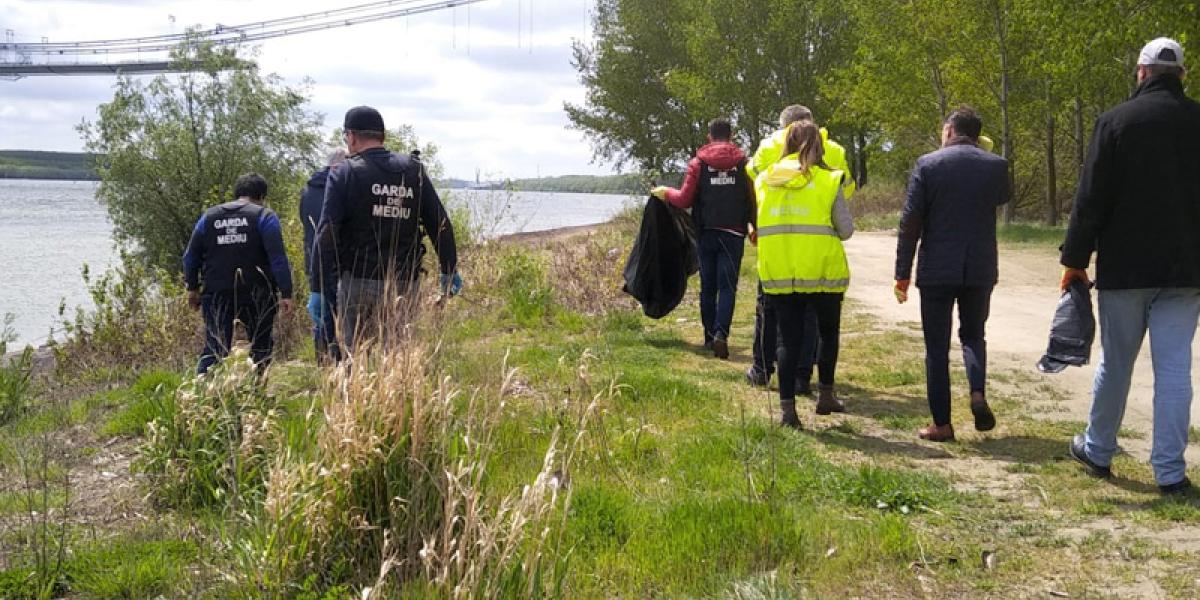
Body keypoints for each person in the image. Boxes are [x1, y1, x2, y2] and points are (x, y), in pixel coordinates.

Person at [1061, 37, 1200, 495]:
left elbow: (1090, 199)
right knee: (1175, 370)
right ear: (1182, 75)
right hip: (1186, 270)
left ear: (1141, 73)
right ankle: (1170, 472)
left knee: (1117, 362)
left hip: (1125, 269)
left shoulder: (1115, 122)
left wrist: (1075, 260)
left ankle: (1098, 450)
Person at [894, 106, 1009, 442]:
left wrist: (902, 272)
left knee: (936, 347)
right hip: (980, 266)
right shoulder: (997, 165)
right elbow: (1003, 196)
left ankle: (942, 424)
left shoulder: (928, 164)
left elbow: (910, 222)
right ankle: (977, 392)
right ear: (978, 135)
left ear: (948, 130)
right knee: (973, 335)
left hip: (937, 269)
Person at [312, 106, 461, 351]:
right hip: (403, 283)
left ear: (351, 136)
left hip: (357, 281)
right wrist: (449, 268)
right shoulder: (413, 171)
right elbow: (439, 223)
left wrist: (317, 288)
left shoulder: (344, 173)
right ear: (383, 136)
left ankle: (355, 378)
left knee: (354, 353)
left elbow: (326, 232)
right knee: (398, 354)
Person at [745, 105, 856, 393]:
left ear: (784, 129)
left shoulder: (767, 150)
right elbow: (846, 189)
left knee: (769, 314)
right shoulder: (835, 151)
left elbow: (753, 183)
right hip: (816, 251)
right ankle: (803, 377)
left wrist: (757, 224)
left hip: (777, 249)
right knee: (813, 322)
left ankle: (762, 368)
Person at [651, 118, 756, 359]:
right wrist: (754, 225)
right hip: (733, 233)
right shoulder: (745, 164)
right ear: (731, 135)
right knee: (727, 286)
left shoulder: (697, 164)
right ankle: (721, 334)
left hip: (706, 231)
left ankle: (709, 337)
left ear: (709, 136)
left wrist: (666, 192)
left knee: (708, 286)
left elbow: (684, 199)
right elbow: (752, 198)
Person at [183, 173, 295, 374]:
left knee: (215, 346)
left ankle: (203, 388)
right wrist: (286, 292)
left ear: (237, 194)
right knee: (261, 345)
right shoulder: (265, 216)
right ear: (262, 196)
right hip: (258, 293)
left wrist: (192, 288)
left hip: (216, 293)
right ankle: (258, 385)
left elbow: (190, 257)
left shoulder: (208, 217)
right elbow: (277, 258)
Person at [301, 149, 347, 362]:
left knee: (320, 316)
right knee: (338, 314)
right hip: (337, 260)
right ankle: (338, 360)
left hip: (313, 258)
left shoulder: (307, 190)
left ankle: (322, 362)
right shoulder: (341, 186)